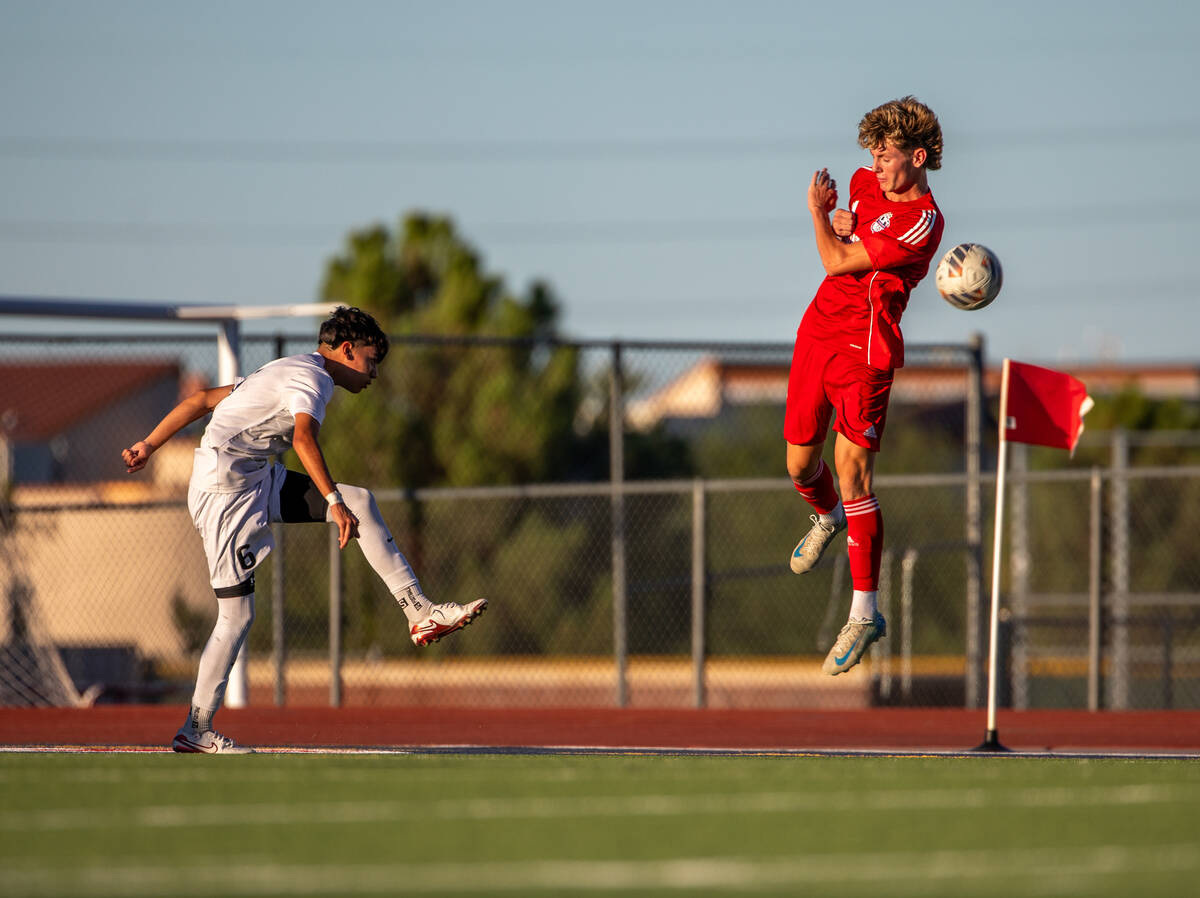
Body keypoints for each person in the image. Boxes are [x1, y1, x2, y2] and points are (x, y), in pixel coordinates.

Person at [123, 306, 487, 753]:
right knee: (237, 615)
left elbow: (201, 402)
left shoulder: (289, 369)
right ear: (348, 350)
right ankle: (195, 729)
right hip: (225, 492)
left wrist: (149, 444)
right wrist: (331, 502)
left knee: (360, 500)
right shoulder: (311, 380)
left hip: (255, 476)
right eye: (371, 361)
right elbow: (302, 439)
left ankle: (419, 613)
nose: (374, 374)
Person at [784, 96, 944, 676]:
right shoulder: (862, 180)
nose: (874, 166)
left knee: (852, 472)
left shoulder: (924, 221)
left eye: (885, 156)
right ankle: (828, 518)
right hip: (818, 332)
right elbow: (856, 222)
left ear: (917, 156)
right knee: (801, 467)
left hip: (866, 351)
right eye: (871, 154)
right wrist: (846, 216)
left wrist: (819, 216)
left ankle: (864, 613)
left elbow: (834, 259)